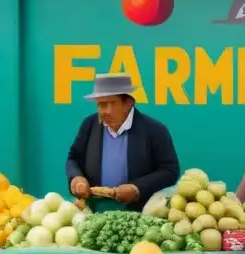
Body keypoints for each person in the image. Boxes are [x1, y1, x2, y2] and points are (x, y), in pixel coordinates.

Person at [66, 73, 180, 212]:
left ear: (128, 103)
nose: (105, 111)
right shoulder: (89, 125)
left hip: (139, 214)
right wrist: (76, 178)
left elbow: (169, 170)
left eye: (112, 103)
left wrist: (137, 188)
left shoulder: (155, 130)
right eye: (101, 104)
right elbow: (74, 158)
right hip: (94, 211)